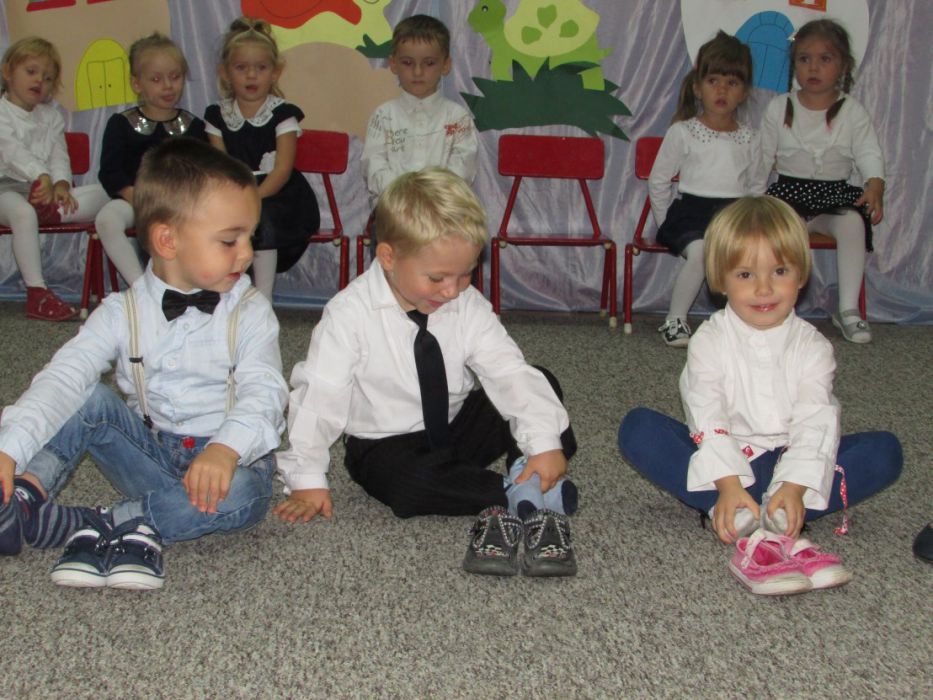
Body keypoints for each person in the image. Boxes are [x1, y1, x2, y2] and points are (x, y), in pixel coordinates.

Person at [0, 138, 288, 590]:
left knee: (246, 493)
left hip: (227, 464)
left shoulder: (251, 311)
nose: (247, 252)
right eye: (230, 240)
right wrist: (10, 447)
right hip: (150, 454)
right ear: (168, 240)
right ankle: (25, 496)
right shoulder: (121, 310)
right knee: (87, 398)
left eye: (249, 236)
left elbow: (265, 391)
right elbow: (64, 376)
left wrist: (225, 448)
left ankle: (103, 521)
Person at [275, 168, 578, 578]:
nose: (452, 290)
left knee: (542, 383)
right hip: (385, 444)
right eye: (437, 278)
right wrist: (307, 476)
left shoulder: (466, 304)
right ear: (388, 258)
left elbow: (507, 371)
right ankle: (516, 491)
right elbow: (319, 395)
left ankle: (528, 465)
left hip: (454, 426)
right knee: (408, 486)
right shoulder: (348, 314)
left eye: (465, 273)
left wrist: (542, 441)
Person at [618, 197, 902, 592]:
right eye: (745, 274)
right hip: (731, 463)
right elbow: (706, 413)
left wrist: (794, 486)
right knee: (639, 429)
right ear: (720, 280)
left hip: (792, 460)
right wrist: (727, 483)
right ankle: (740, 508)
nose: (764, 288)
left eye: (780, 271)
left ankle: (771, 512)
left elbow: (815, 420)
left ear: (801, 275)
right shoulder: (710, 340)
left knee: (885, 451)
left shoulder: (813, 346)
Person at [760, 19, 884, 344]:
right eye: (804, 59)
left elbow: (868, 151)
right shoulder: (779, 107)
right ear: (794, 65)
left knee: (853, 224)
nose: (813, 67)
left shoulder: (852, 111)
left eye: (825, 59)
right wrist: (751, 199)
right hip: (788, 195)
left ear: (843, 66)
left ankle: (848, 310)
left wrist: (875, 184)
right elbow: (761, 159)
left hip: (834, 196)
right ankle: (777, 307)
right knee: (777, 232)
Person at [649, 31, 764, 347]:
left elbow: (756, 186)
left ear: (744, 92)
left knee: (749, 259)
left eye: (732, 82)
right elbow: (659, 180)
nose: (722, 90)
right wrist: (665, 223)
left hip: (734, 215)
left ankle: (745, 322)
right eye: (713, 81)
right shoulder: (683, 132)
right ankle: (675, 320)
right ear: (698, 88)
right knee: (701, 252)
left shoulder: (751, 138)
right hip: (691, 214)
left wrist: (754, 224)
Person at [204, 17, 319, 301]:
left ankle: (263, 301)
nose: (251, 76)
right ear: (225, 73)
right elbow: (221, 168)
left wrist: (253, 199)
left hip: (278, 194)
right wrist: (237, 199)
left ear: (275, 73)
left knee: (263, 220)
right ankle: (225, 295)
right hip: (234, 189)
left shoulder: (282, 114)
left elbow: (282, 170)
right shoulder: (217, 115)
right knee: (210, 219)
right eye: (241, 68)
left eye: (261, 68)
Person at [0, 36, 109, 321]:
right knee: (23, 213)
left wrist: (61, 184)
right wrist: (43, 177)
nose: (40, 81)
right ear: (8, 72)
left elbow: (60, 155)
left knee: (104, 193)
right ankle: (37, 292)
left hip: (44, 192)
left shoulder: (51, 117)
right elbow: (12, 153)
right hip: (5, 190)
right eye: (31, 71)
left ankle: (48, 209)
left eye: (47, 78)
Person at [95, 32, 207, 286]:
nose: (168, 86)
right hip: (133, 200)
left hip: (178, 205)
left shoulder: (193, 126)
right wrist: (139, 198)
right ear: (137, 84)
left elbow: (201, 173)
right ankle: (141, 287)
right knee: (107, 220)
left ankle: (188, 284)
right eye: (156, 79)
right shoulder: (121, 124)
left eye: (175, 77)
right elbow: (110, 172)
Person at [361, 14, 478, 206]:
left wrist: (430, 198)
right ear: (393, 64)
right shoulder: (383, 116)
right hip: (394, 209)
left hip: (442, 210)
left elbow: (462, 170)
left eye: (429, 63)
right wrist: (406, 196)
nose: (417, 72)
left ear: (446, 65)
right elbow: (374, 167)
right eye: (407, 63)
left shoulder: (458, 118)